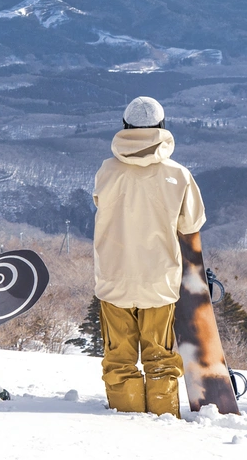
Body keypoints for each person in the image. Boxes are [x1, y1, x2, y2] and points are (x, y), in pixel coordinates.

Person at [92, 96, 207, 417]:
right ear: (162, 127)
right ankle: (162, 418)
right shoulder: (178, 175)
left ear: (125, 127)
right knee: (160, 357)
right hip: (159, 279)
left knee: (119, 358)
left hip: (114, 276)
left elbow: (102, 205)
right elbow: (192, 223)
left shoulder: (107, 170)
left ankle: (127, 416)